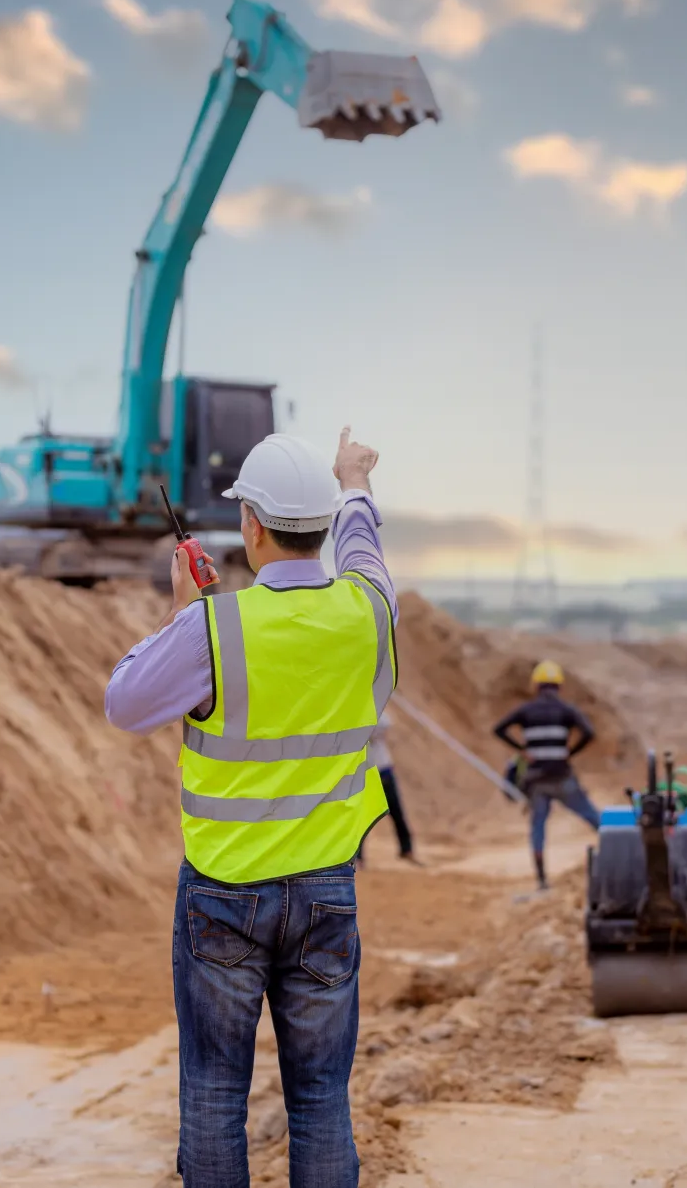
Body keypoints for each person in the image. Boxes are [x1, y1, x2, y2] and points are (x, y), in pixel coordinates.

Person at [105, 427, 394, 1188]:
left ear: (251, 526)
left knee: (212, 1093)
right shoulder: (369, 616)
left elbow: (125, 703)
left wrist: (182, 615)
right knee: (322, 1096)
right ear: (325, 525)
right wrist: (355, 478)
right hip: (327, 896)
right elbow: (365, 553)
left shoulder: (214, 626)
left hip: (223, 897)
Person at [493, 661, 601, 891]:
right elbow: (589, 733)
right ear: (559, 687)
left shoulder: (526, 711)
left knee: (538, 827)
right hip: (561, 775)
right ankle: (622, 850)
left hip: (537, 780)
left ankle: (542, 881)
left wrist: (521, 748)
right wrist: (570, 752)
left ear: (536, 686)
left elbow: (498, 729)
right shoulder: (566, 710)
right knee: (592, 817)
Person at [356, 709, 415, 865]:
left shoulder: (376, 710)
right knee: (360, 817)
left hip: (382, 769)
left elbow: (384, 724)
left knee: (396, 812)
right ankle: (358, 856)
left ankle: (407, 849)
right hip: (366, 771)